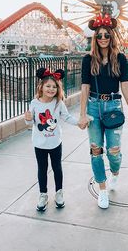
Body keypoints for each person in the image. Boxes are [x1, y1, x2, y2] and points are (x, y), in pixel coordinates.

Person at [78, 2, 128, 209]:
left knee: (114, 151)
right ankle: (102, 191)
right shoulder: (88, 60)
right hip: (94, 106)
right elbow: (84, 87)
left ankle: (115, 172)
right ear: (95, 38)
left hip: (113, 106)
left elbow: (126, 86)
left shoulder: (120, 58)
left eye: (107, 35)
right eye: (100, 35)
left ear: (112, 37)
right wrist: (82, 114)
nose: (103, 38)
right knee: (96, 149)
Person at [25, 67, 78, 211]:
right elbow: (31, 124)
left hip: (55, 143)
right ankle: (43, 195)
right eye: (48, 86)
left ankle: (59, 193)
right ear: (41, 87)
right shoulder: (34, 103)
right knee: (42, 169)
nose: (51, 89)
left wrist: (79, 122)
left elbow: (66, 117)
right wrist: (28, 119)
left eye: (54, 87)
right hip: (39, 144)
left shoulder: (58, 103)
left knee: (57, 168)